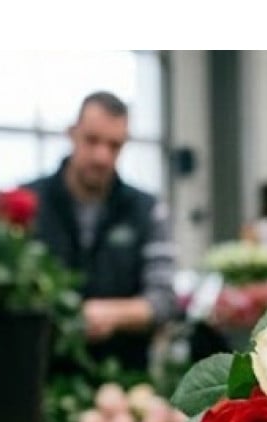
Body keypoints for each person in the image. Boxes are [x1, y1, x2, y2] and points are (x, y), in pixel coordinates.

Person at [24, 90, 178, 371]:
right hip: (39, 375)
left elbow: (164, 300)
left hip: (123, 378)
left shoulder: (147, 210)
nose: (102, 156)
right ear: (72, 133)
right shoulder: (27, 204)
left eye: (114, 145)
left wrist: (111, 314)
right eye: (92, 140)